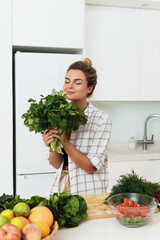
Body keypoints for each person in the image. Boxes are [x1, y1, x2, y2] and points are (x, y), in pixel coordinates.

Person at [42, 58, 112, 195]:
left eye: (77, 83)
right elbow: (56, 164)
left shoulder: (101, 119)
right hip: (61, 187)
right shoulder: (58, 115)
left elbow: (91, 167)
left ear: (89, 88)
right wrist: (51, 144)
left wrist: (64, 141)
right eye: (67, 81)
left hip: (88, 191)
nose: (69, 86)